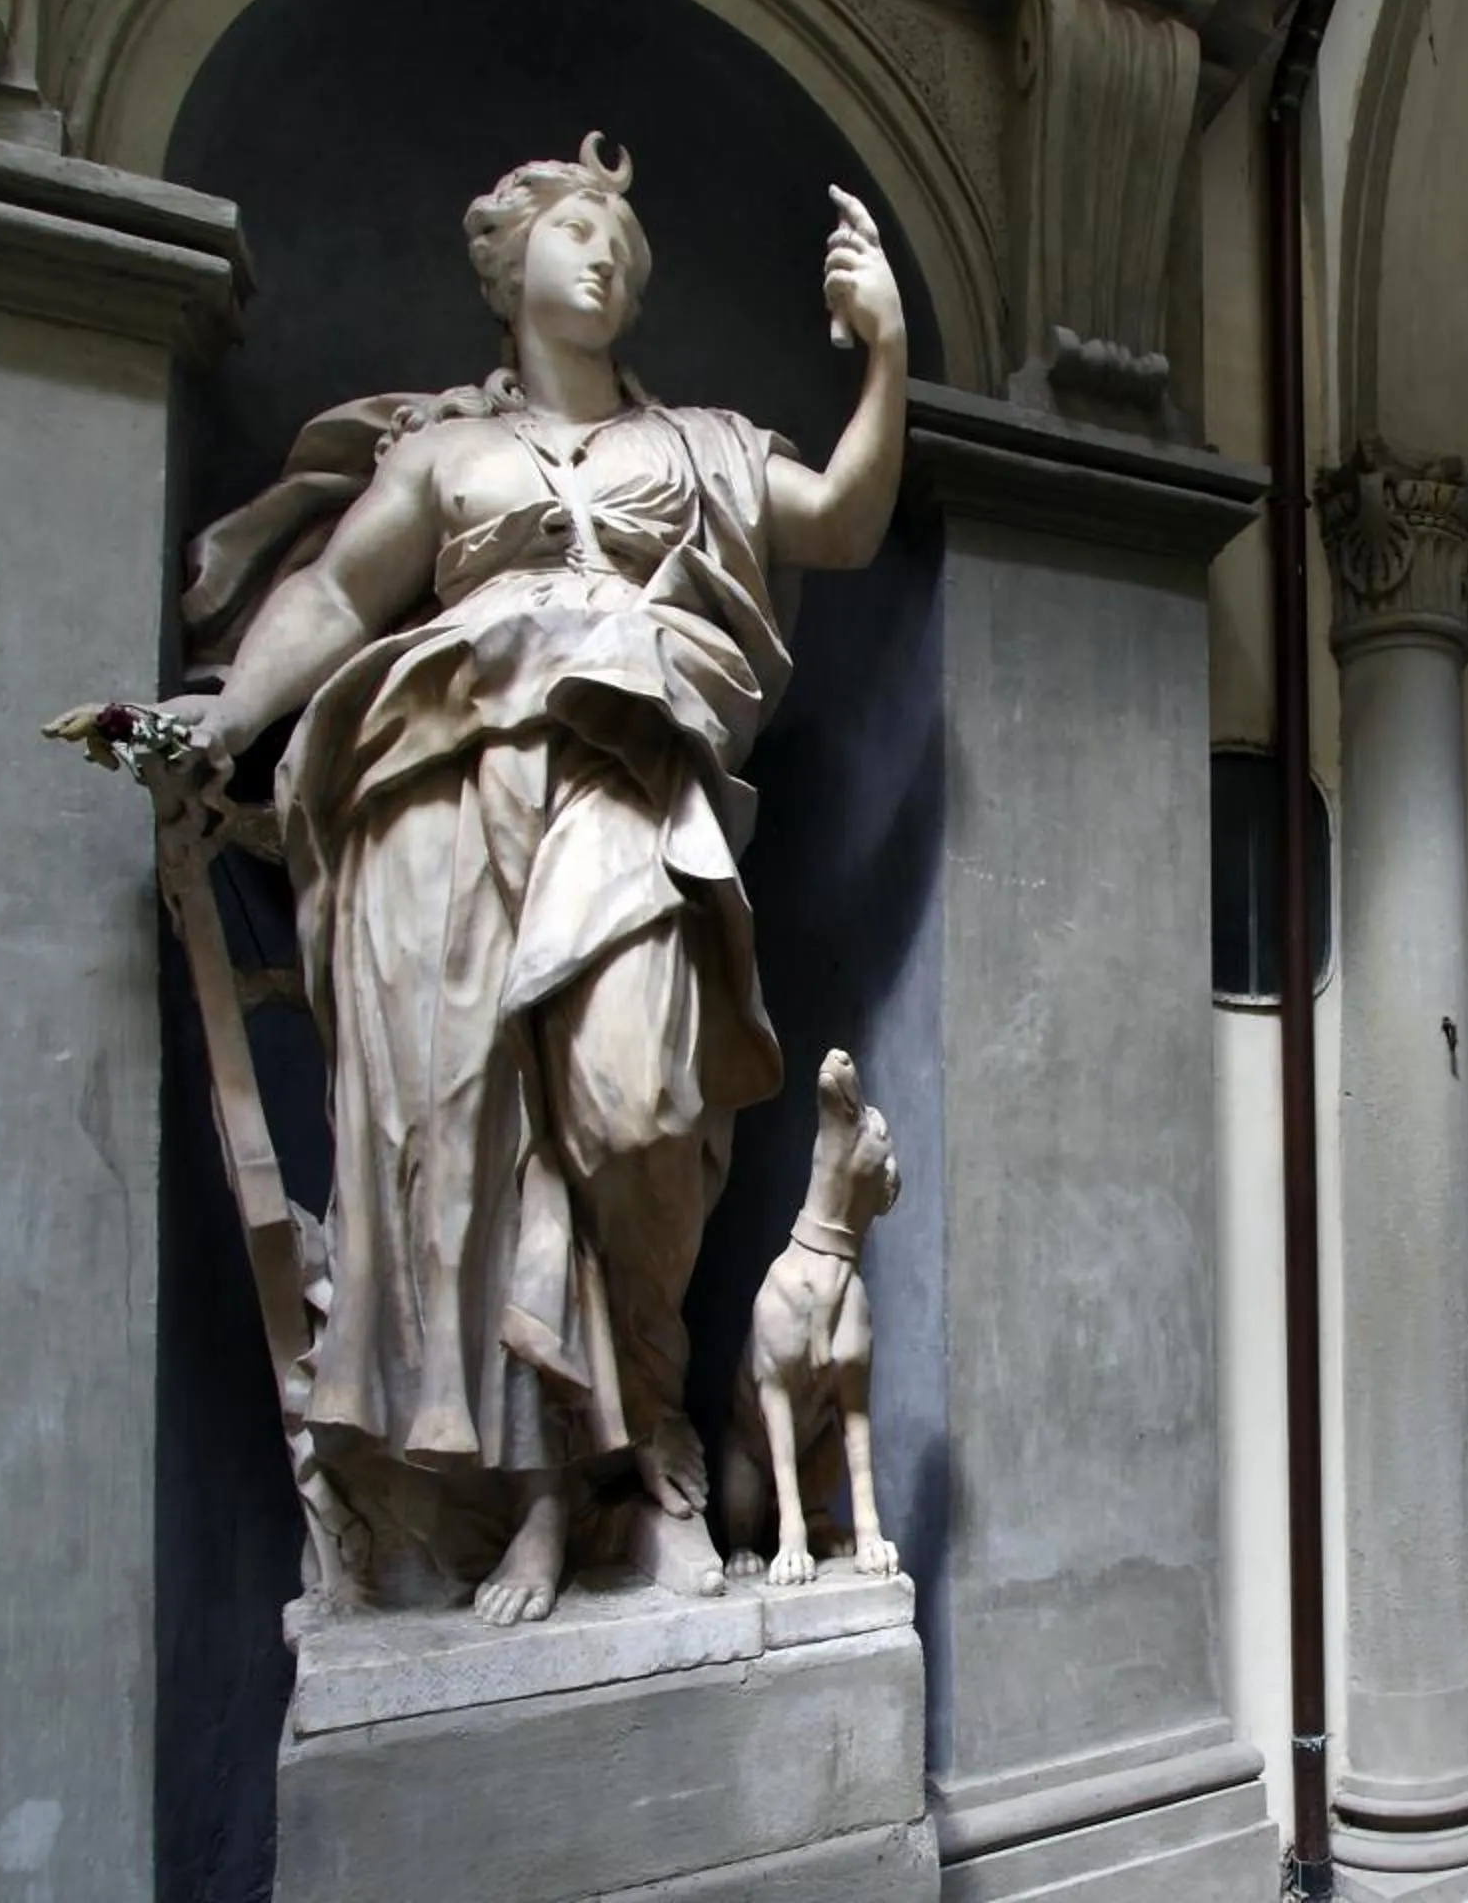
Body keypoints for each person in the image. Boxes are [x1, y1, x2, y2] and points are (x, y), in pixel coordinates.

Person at [154, 135, 906, 1624]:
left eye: (623, 237)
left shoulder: (700, 447)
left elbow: (840, 517)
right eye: (574, 228)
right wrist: (228, 721)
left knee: (637, 1111)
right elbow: (334, 595)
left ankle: (649, 1441)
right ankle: (553, 1497)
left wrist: (885, 355)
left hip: (627, 790)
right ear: (506, 271)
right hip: (440, 807)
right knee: (467, 1146)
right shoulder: (444, 459)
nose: (603, 252)